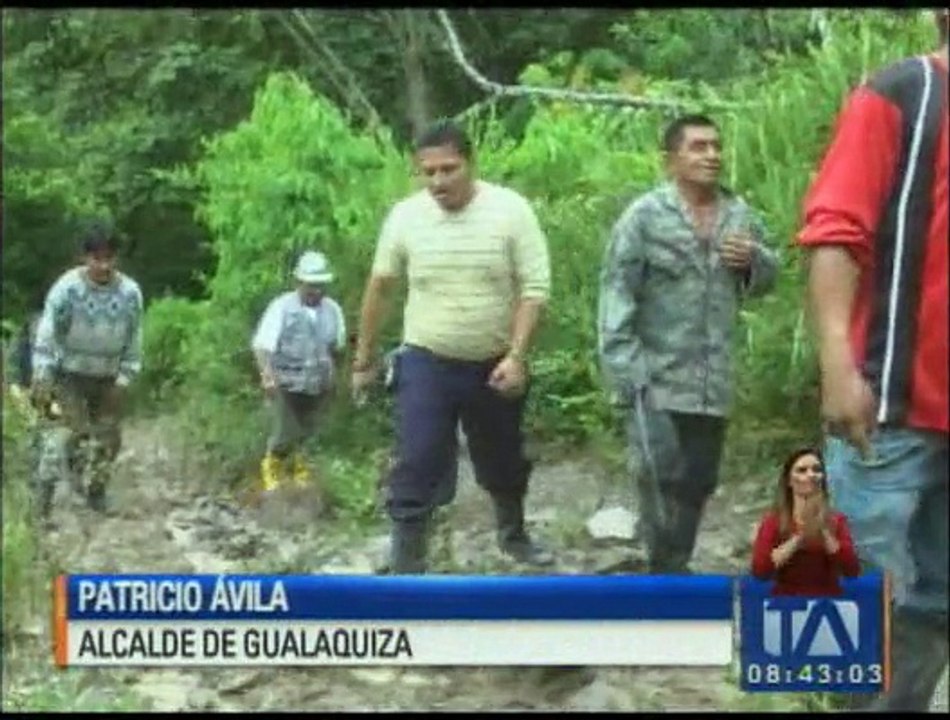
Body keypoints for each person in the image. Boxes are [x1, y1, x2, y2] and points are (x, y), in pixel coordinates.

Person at [796, 9, 948, 711]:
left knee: (935, 603)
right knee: (857, 602)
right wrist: (837, 366)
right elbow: (835, 232)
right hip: (888, 407)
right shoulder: (902, 93)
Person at [351, 119, 553, 574]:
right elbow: (380, 286)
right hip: (426, 358)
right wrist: (363, 359)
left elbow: (534, 289)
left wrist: (517, 356)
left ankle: (513, 535)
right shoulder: (405, 216)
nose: (439, 181)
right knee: (416, 456)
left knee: (503, 458)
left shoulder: (511, 210)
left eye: (449, 169)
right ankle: (407, 562)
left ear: (470, 165)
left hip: (494, 360)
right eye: (429, 172)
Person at [598, 114, 779, 574]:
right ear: (671, 159)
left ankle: (675, 561)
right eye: (698, 147)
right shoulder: (644, 217)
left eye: (716, 146)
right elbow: (617, 292)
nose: (712, 155)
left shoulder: (738, 216)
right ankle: (665, 570)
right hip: (653, 374)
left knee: (699, 479)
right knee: (657, 473)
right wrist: (623, 368)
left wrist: (753, 261)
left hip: (710, 376)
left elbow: (766, 281)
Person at [31, 221, 144, 513]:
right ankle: (43, 499)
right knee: (71, 432)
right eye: (97, 258)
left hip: (108, 375)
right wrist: (42, 371)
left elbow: (134, 338)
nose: (103, 265)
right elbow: (48, 331)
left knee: (109, 437)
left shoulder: (130, 293)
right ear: (85, 257)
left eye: (109, 258)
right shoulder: (67, 289)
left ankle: (96, 491)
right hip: (69, 374)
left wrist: (125, 378)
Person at [251, 250, 346, 494]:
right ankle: (272, 474)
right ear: (299, 283)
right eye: (311, 285)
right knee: (285, 432)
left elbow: (336, 347)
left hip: (318, 383)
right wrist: (267, 376)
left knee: (310, 433)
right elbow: (263, 346)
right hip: (285, 382)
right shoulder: (282, 307)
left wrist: (335, 377)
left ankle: (301, 478)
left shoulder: (332, 310)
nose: (316, 291)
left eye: (320, 285)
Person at [750, 447, 860, 596]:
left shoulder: (837, 520)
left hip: (827, 603)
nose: (811, 475)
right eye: (802, 470)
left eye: (817, 469)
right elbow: (760, 570)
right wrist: (800, 537)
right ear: (789, 480)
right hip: (786, 605)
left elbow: (851, 570)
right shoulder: (773, 521)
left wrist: (823, 530)